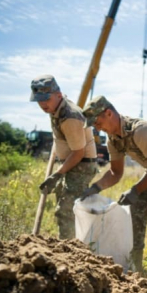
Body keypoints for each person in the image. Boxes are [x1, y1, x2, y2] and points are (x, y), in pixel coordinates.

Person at [80, 96, 147, 290]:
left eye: (98, 122)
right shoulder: (113, 141)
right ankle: (136, 274)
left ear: (108, 113)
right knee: (136, 214)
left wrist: (135, 190)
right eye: (94, 125)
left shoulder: (141, 131)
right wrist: (94, 188)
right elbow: (115, 173)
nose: (97, 127)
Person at [30, 74, 98, 240]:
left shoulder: (70, 116)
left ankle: (71, 250)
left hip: (81, 165)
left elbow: (78, 152)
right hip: (72, 163)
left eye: (46, 99)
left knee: (67, 209)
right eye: (39, 100)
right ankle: (70, 243)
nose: (43, 104)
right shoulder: (55, 109)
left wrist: (57, 174)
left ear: (58, 95)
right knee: (64, 203)